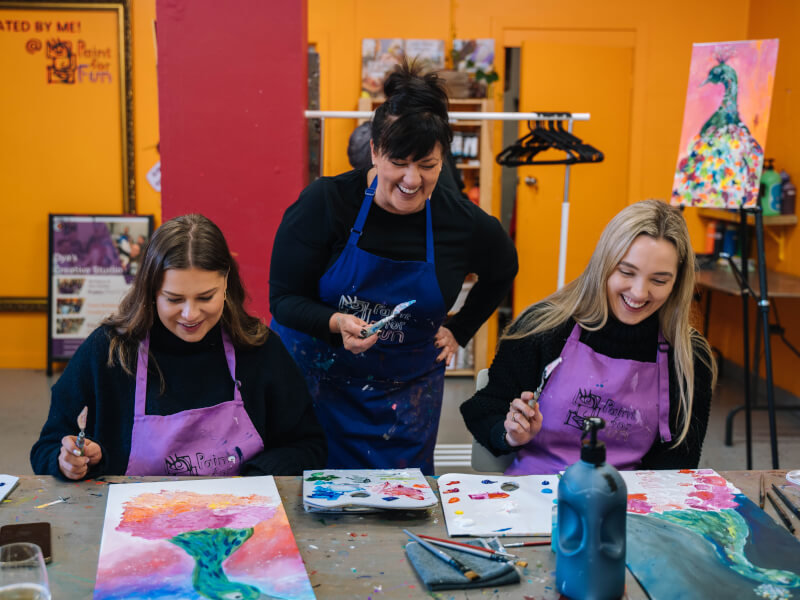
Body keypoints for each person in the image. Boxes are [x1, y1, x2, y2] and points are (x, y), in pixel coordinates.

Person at [270, 61, 518, 474]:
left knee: (401, 498)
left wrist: (460, 328)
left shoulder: (460, 222)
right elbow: (283, 299)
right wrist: (335, 323)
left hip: (402, 407)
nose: (412, 179)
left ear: (443, 160)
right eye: (399, 161)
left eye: (427, 165)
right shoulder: (326, 203)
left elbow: (504, 269)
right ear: (374, 151)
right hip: (315, 393)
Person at [32, 214, 327, 480]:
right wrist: (70, 461)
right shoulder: (109, 351)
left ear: (226, 283)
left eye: (206, 297)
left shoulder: (258, 348)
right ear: (151, 291)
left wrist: (255, 477)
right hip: (135, 519)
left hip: (241, 514)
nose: (190, 314)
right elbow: (47, 447)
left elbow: (308, 446)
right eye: (174, 299)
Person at [461, 200, 717, 474]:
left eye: (659, 280)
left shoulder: (689, 357)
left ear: (677, 283)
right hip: (537, 488)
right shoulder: (543, 328)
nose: (639, 293)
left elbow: (677, 463)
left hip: (628, 494)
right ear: (603, 265)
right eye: (626, 272)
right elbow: (484, 407)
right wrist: (510, 433)